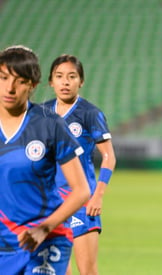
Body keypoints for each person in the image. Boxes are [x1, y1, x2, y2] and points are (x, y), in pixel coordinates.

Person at [0, 46, 90, 274]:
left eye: (19, 81)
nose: (9, 88)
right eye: (3, 78)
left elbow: (81, 191)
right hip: (5, 242)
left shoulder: (49, 124)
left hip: (45, 237)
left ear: (33, 85)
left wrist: (44, 228)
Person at [43, 54, 116, 275]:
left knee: (87, 271)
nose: (65, 82)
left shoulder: (89, 113)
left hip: (83, 201)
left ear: (81, 81)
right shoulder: (41, 113)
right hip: (51, 203)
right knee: (56, 270)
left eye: (71, 76)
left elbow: (108, 156)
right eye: (59, 76)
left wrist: (98, 194)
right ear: (51, 81)